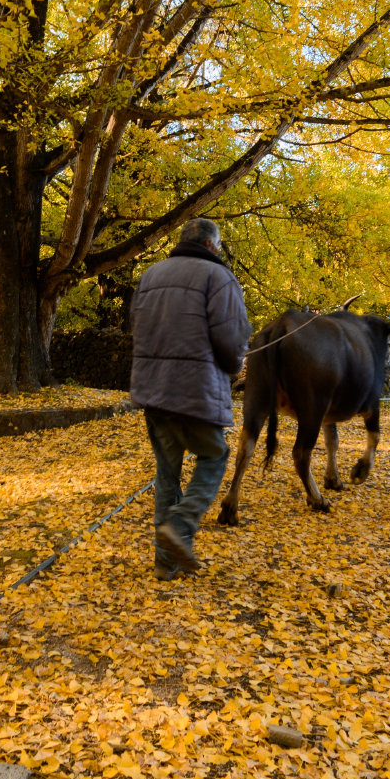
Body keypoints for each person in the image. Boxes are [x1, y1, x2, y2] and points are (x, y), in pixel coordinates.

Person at [129, 218, 251, 579]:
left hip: (154, 391)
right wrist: (236, 364)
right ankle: (180, 525)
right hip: (195, 391)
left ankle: (165, 565)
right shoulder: (220, 279)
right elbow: (231, 343)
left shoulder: (151, 275)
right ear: (212, 246)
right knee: (214, 456)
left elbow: (139, 329)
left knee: (167, 475)